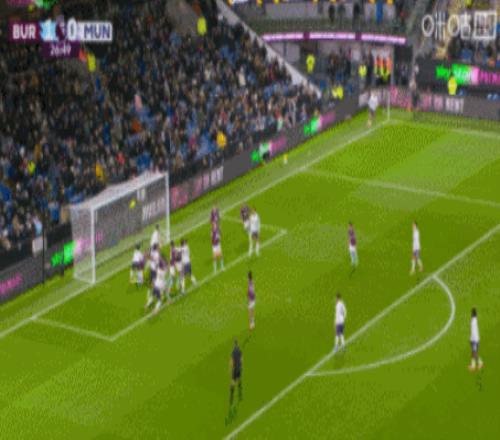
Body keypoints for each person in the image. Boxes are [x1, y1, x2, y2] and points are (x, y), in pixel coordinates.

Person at [229, 339, 243, 406]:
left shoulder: (233, 351)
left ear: (234, 344)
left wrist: (230, 369)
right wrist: (241, 366)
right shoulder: (239, 350)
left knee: (233, 383)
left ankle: (231, 398)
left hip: (234, 370)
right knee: (239, 380)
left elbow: (231, 361)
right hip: (239, 369)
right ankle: (240, 395)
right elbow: (241, 359)